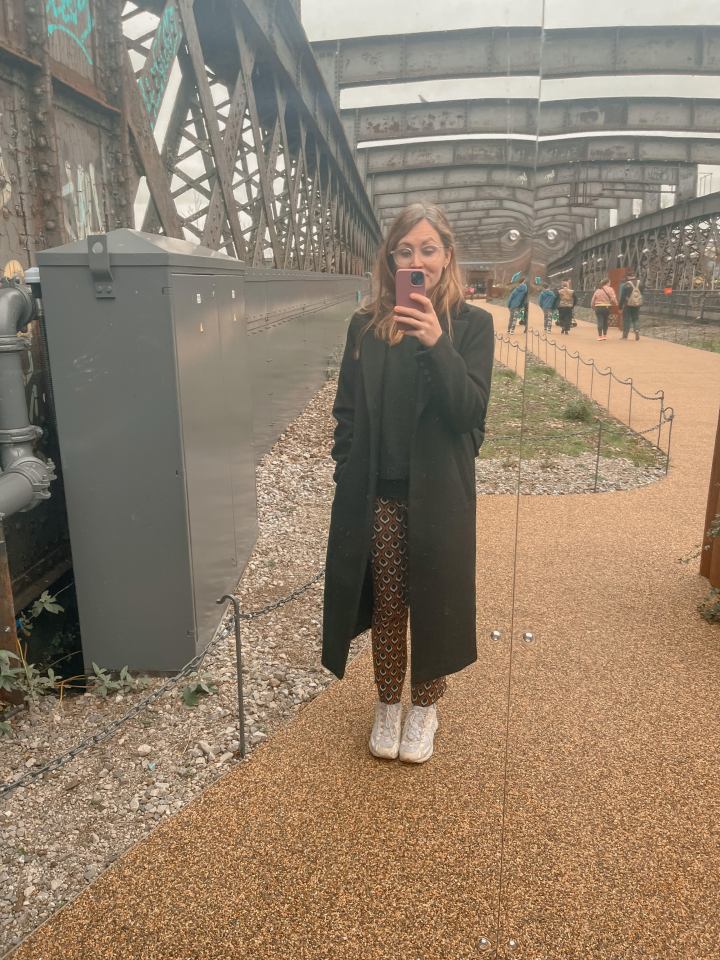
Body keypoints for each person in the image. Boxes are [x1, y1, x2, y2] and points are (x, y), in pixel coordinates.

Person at [322, 202, 494, 765]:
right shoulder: (365, 325)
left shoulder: (472, 325)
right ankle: (387, 702)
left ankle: (426, 705)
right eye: (405, 250)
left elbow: (469, 413)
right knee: (391, 603)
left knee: (436, 600)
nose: (416, 258)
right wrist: (346, 464)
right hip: (381, 493)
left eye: (427, 249)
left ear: (446, 257)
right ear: (390, 257)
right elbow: (346, 412)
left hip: (440, 491)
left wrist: (435, 343)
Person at [619, 273, 643, 340]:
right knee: (636, 318)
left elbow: (622, 297)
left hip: (628, 304)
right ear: (634, 276)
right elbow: (642, 294)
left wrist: (620, 307)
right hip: (637, 304)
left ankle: (625, 336)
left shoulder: (626, 285)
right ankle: (637, 331)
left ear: (628, 277)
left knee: (626, 319)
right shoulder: (640, 283)